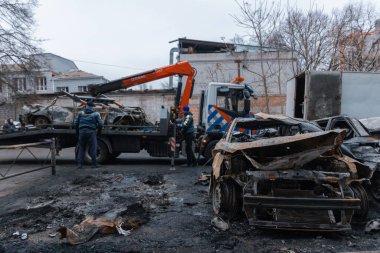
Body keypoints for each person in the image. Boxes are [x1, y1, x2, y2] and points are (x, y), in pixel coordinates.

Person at [73, 100, 104, 169]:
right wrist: (99, 131)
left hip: (82, 132)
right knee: (93, 148)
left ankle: (79, 165)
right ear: (93, 106)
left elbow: (75, 124)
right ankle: (94, 164)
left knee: (81, 147)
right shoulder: (96, 114)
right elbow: (100, 124)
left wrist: (77, 132)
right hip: (91, 132)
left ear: (86, 105)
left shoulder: (80, 113)